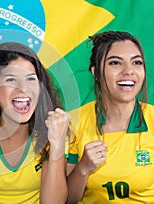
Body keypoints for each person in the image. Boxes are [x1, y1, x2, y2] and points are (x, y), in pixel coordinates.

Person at [0, 42, 71, 203]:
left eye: (30, 79)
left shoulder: (54, 127)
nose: (23, 88)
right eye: (11, 79)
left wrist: (58, 143)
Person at [66, 31, 154, 203]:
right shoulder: (73, 122)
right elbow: (67, 200)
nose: (128, 71)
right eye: (115, 63)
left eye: (136, 62)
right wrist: (83, 169)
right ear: (96, 72)